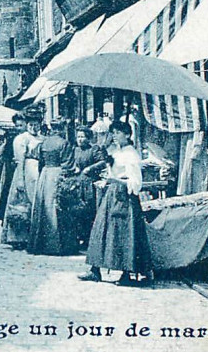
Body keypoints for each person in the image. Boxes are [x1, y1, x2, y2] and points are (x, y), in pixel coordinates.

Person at [82, 120, 153, 286]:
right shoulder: (116, 151)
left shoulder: (132, 155)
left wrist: (115, 180)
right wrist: (106, 181)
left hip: (125, 197)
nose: (114, 136)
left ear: (127, 135)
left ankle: (126, 273)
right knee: (102, 229)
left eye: (118, 133)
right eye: (113, 133)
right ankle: (95, 270)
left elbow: (136, 183)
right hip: (111, 194)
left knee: (123, 233)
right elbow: (112, 171)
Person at [27, 118, 74, 255]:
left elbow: (35, 157)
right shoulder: (64, 143)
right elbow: (68, 165)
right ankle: (56, 245)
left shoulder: (44, 142)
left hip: (45, 173)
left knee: (42, 206)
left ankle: (39, 244)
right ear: (62, 129)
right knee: (55, 206)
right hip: (57, 173)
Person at [56, 127, 106, 253]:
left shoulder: (94, 149)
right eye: (78, 137)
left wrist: (90, 168)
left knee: (89, 211)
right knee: (77, 212)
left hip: (89, 183)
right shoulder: (75, 150)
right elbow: (71, 163)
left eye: (82, 137)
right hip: (77, 183)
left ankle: (89, 240)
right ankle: (79, 238)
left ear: (88, 138)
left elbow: (103, 162)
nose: (80, 139)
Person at [1, 114, 41, 248]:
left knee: (35, 203)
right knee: (22, 204)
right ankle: (18, 238)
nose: (34, 128)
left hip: (39, 173)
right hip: (25, 172)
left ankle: (34, 236)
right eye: (31, 125)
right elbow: (20, 160)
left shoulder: (42, 138)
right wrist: (20, 180)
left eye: (36, 125)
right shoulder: (21, 139)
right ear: (27, 125)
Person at [0, 114, 26, 223]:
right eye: (17, 126)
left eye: (21, 125)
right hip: (12, 170)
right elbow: (1, 154)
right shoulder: (12, 139)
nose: (19, 128)